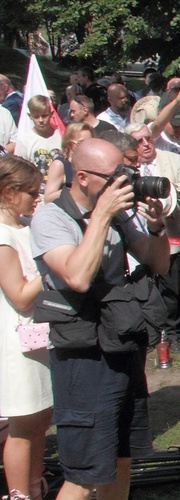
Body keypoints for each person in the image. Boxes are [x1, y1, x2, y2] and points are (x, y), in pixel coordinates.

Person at [30, 138, 169, 499]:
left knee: (121, 458)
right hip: (83, 355)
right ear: (83, 178)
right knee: (86, 470)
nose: (122, 184)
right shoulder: (51, 217)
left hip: (121, 342)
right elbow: (76, 276)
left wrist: (156, 228)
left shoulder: (119, 215)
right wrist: (102, 216)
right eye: (114, 177)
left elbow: (159, 263)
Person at [0, 156, 51, 500]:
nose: (37, 198)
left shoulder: (24, 228)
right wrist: (49, 264)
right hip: (15, 341)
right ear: (9, 192)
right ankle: (20, 492)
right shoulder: (3, 236)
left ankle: (36, 484)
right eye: (30, 192)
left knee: (42, 417)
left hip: (38, 335)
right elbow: (18, 295)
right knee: (22, 422)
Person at [126, 122, 180, 350]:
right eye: (138, 141)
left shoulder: (171, 159)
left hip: (169, 232)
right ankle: (151, 331)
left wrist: (165, 208)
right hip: (136, 233)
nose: (145, 144)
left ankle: (174, 333)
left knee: (171, 286)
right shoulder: (128, 167)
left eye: (148, 139)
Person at [15, 96, 63, 195]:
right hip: (37, 194)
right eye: (36, 116)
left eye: (44, 115)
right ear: (30, 116)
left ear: (51, 114)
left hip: (60, 192)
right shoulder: (24, 140)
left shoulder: (61, 135)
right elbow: (20, 170)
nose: (41, 120)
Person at [44, 122, 95, 202]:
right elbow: (48, 198)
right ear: (69, 144)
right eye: (82, 143)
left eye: (91, 142)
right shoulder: (60, 165)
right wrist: (74, 190)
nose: (87, 146)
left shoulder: (93, 164)